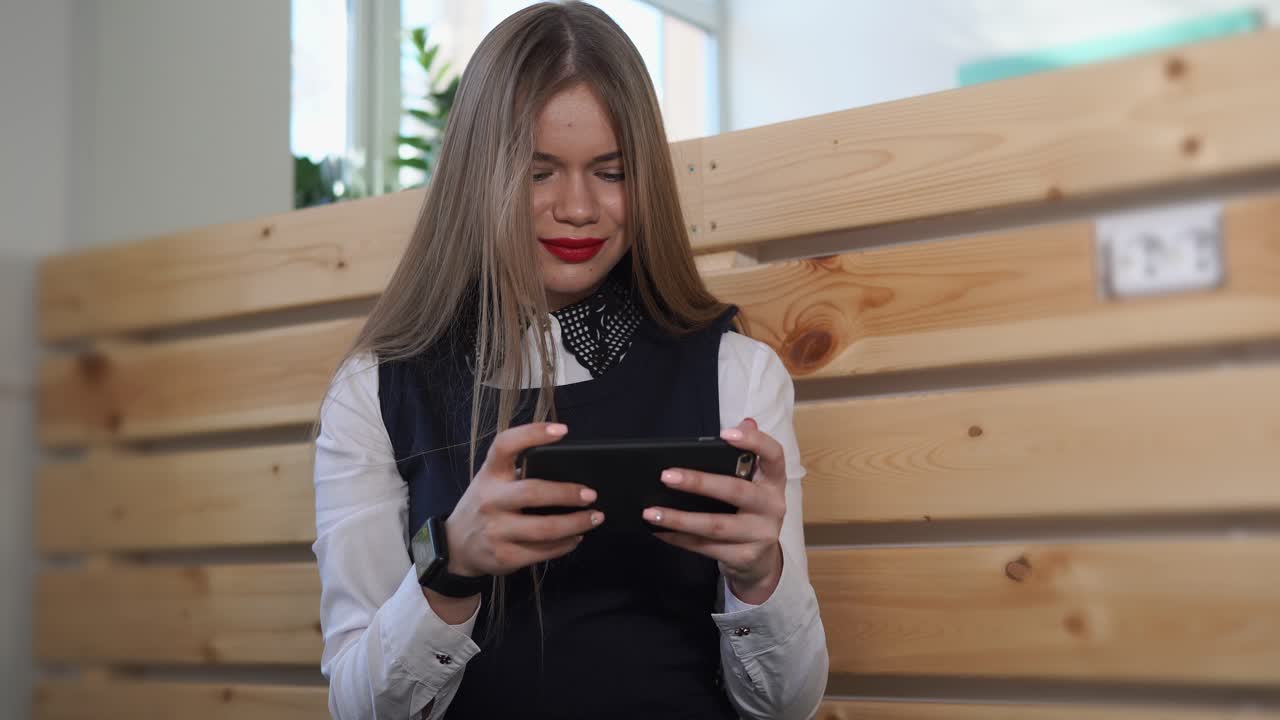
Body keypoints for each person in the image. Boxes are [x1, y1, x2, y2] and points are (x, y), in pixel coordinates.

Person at [312, 3, 828, 718]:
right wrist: (451, 568)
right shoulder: (373, 390)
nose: (579, 208)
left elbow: (788, 707)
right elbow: (359, 708)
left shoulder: (738, 372)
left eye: (612, 172)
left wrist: (760, 573)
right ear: (476, 180)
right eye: (538, 173)